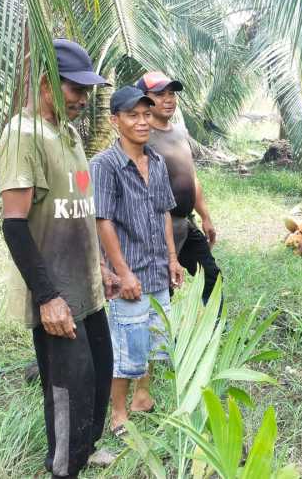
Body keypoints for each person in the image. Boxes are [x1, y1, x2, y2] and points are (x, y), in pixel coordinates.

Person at [0, 39, 119, 478]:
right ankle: (64, 466)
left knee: (99, 373)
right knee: (68, 386)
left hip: (86, 283)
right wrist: (47, 297)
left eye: (88, 91)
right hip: (56, 292)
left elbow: (79, 207)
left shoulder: (68, 134)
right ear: (47, 83)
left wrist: (101, 267)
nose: (83, 100)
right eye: (75, 89)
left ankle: (85, 451)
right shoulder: (22, 134)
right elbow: (14, 225)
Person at [90, 86, 185, 437]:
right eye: (133, 115)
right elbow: (103, 221)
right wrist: (123, 272)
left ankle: (143, 398)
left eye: (146, 114)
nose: (142, 121)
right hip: (127, 273)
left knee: (154, 340)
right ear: (116, 121)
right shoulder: (104, 165)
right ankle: (118, 415)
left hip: (157, 268)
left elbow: (163, 213)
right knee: (126, 345)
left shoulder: (156, 161)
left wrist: (173, 258)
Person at [135, 71, 222, 305]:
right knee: (162, 288)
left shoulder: (180, 132)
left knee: (211, 275)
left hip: (186, 221)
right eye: (160, 94)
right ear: (143, 99)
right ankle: (162, 337)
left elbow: (192, 177)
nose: (169, 99)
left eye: (171, 94)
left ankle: (212, 331)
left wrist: (206, 217)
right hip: (159, 226)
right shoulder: (141, 137)